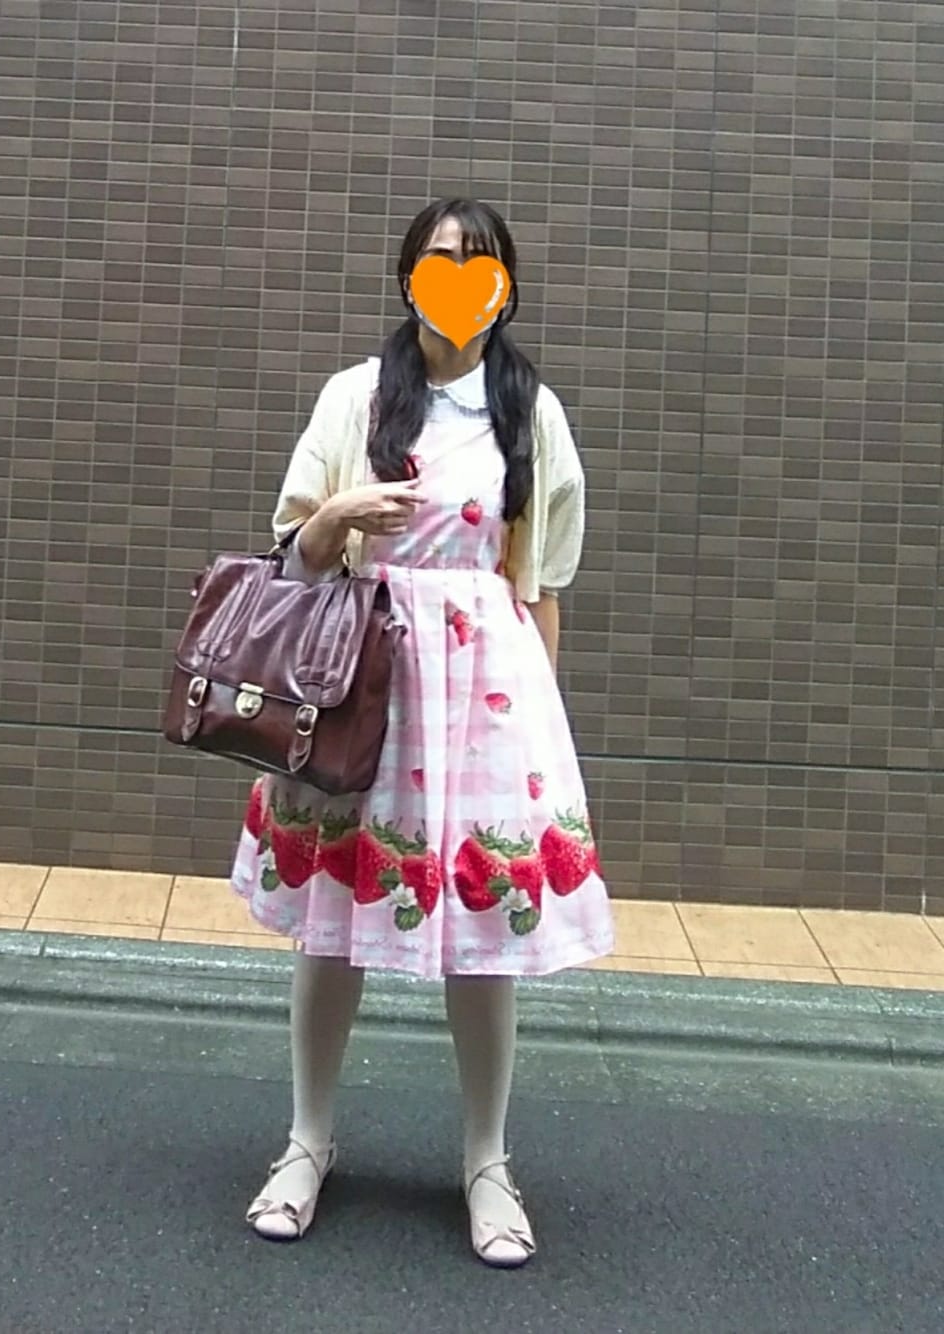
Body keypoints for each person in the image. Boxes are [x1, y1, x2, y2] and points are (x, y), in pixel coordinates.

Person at [230, 198, 615, 1268]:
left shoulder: (530, 412)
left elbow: (540, 584)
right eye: (439, 260)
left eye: (479, 262)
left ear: (505, 286)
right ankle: (307, 1140)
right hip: (363, 680)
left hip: (487, 694)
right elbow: (291, 553)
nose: (458, 276)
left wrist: (541, 725)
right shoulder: (354, 397)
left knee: (484, 931)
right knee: (331, 922)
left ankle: (487, 1161)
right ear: (407, 278)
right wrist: (340, 516)